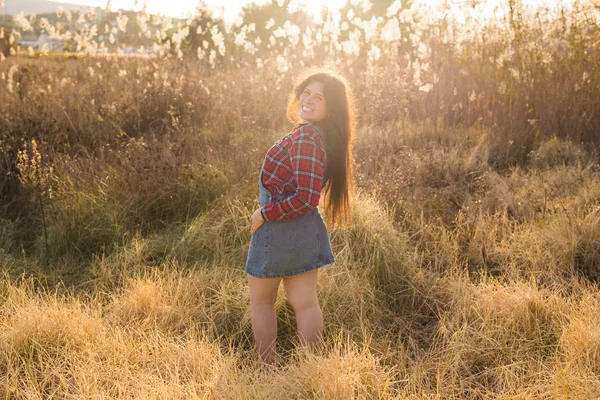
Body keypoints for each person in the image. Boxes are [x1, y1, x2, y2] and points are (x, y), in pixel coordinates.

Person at [245, 68, 355, 364]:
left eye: (318, 97)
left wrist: (264, 213)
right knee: (305, 304)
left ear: (330, 107)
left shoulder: (307, 136)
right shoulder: (320, 134)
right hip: (304, 230)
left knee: (262, 301)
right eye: (306, 91)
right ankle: (311, 369)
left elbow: (306, 198)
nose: (308, 99)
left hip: (281, 228)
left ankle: (265, 371)